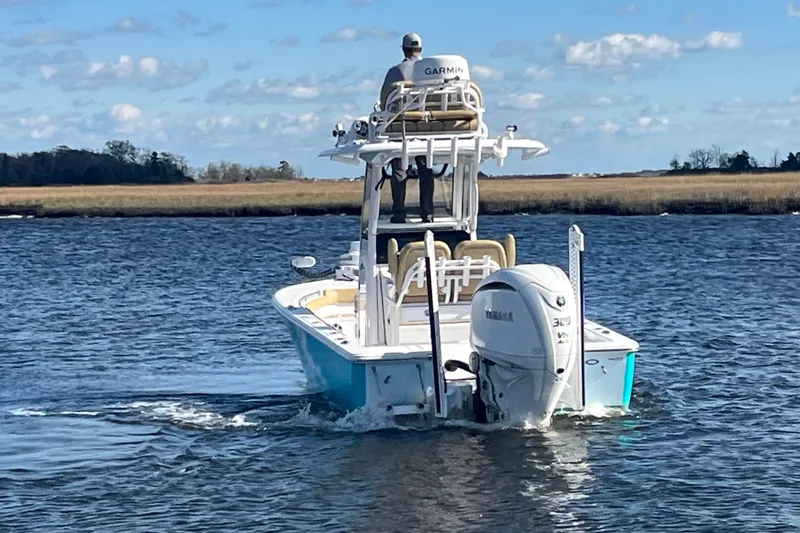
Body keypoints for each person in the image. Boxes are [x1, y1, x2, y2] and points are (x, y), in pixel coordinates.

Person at [380, 33, 435, 224]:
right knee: (426, 169)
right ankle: (427, 213)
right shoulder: (431, 72)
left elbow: (384, 103)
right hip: (428, 129)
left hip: (401, 129)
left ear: (403, 49)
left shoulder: (395, 71)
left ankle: (399, 213)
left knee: (399, 169)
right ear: (420, 49)